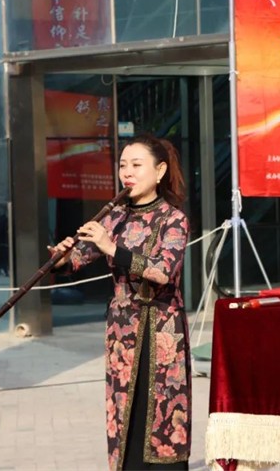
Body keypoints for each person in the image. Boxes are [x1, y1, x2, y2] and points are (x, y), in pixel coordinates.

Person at [50, 134, 191, 471]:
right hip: (122, 332)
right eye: (123, 165)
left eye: (137, 165)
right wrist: (61, 257)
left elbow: (163, 271)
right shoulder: (113, 216)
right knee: (124, 410)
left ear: (159, 171)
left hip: (162, 332)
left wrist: (112, 248)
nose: (127, 172)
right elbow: (77, 259)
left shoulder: (173, 219)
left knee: (162, 414)